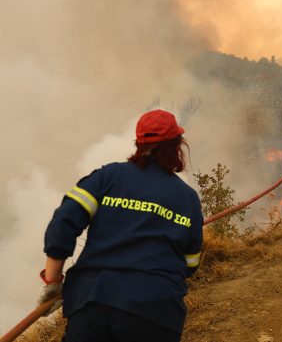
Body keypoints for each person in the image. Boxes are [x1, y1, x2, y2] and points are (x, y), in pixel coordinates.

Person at [37, 109, 203, 342]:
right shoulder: (188, 199)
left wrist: (53, 282)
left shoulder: (107, 177)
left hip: (94, 301)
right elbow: (190, 263)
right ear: (177, 145)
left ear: (138, 144)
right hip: (156, 312)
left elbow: (64, 222)